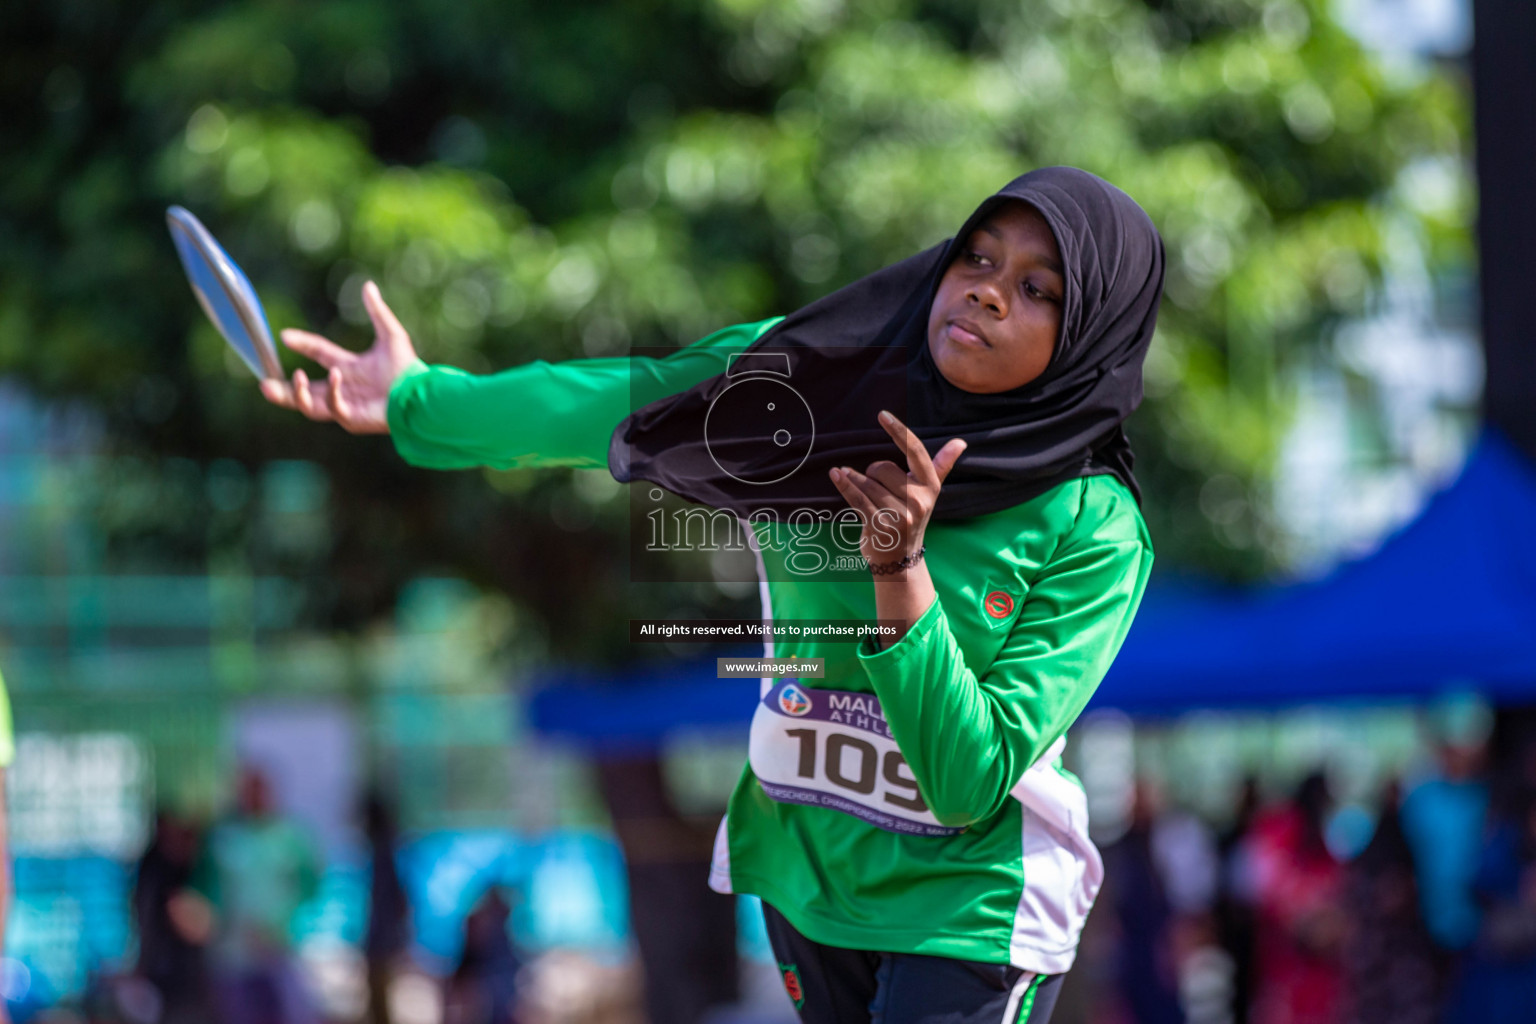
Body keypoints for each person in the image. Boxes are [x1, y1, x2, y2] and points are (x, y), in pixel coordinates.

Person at [263, 166, 1162, 1023]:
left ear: (1092, 332)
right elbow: (613, 404)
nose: (990, 291)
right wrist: (420, 399)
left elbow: (969, 781)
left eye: (1040, 289)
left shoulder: (1095, 526)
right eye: (978, 256)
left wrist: (900, 570)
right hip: (804, 871)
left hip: (972, 901)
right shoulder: (807, 379)